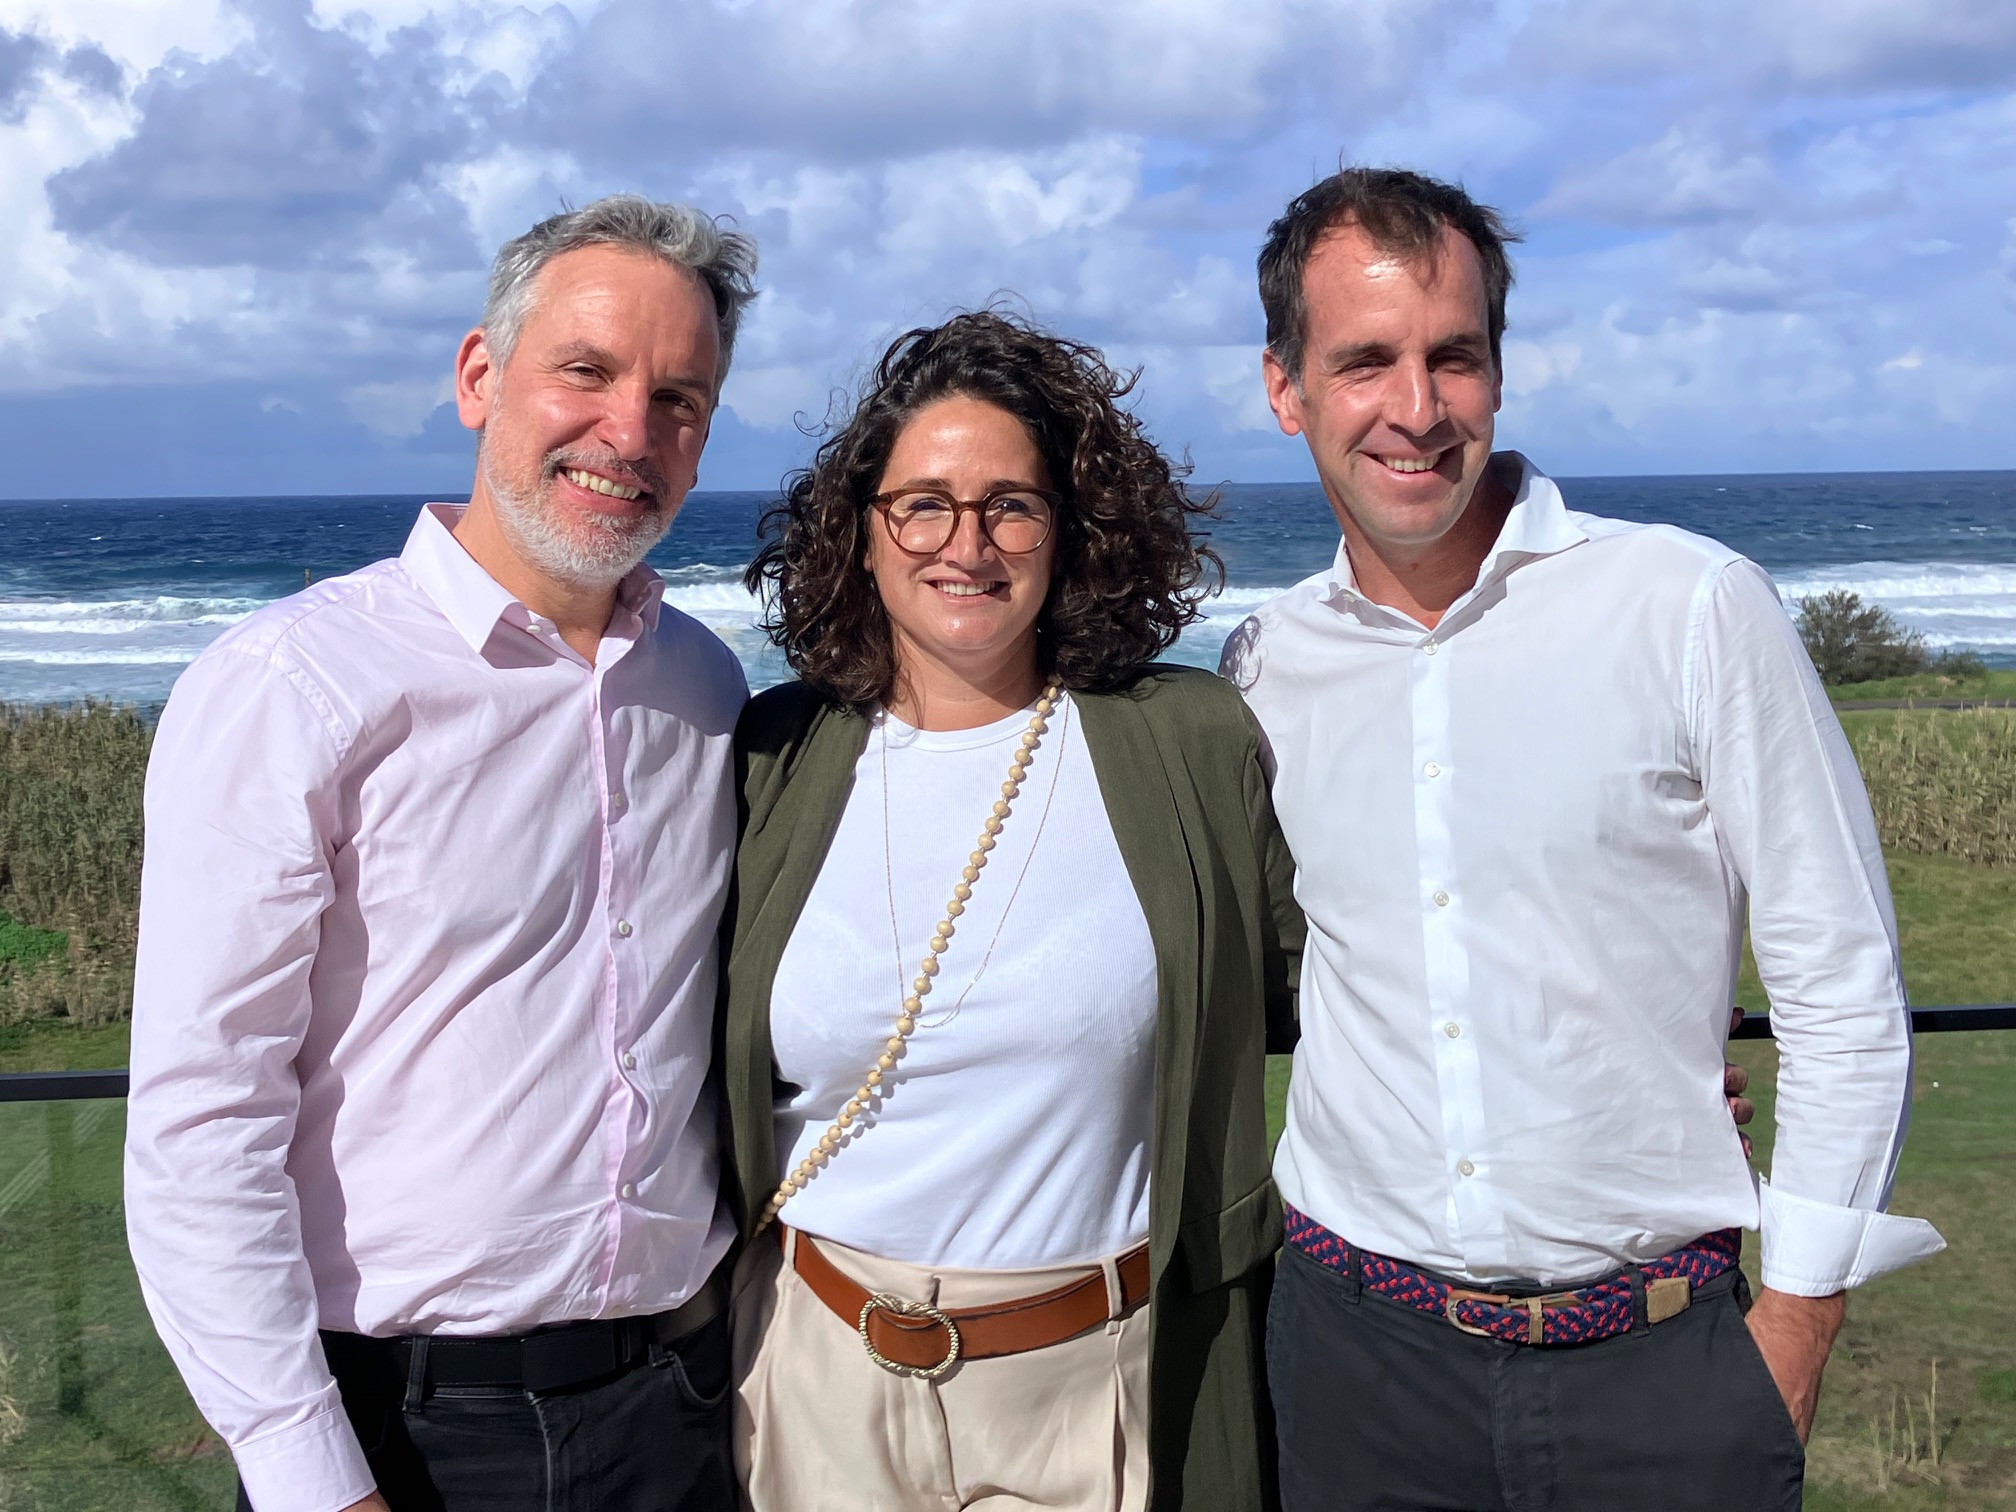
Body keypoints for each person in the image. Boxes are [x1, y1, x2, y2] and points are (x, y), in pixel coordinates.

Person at [1223, 166, 1947, 1511]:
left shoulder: (1688, 607)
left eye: (1456, 357)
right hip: (1354, 1364)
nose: (1417, 408)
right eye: (1365, 361)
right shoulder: (1262, 666)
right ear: (1287, 389)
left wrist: (1790, 1334)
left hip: (1663, 1374)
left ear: (1498, 368)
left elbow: (1842, 987)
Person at [124, 196, 757, 1512]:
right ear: (482, 376)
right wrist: (309, 1476)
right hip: (404, 1434)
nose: (628, 432)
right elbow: (202, 1121)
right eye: (584, 371)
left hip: (681, 1413)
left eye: (678, 398)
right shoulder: (293, 684)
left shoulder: (703, 685)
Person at [720, 310, 1302, 1512]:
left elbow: (1335, 986)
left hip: (1098, 1388)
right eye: (922, 502)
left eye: (1011, 504)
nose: (966, 543)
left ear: (1069, 530)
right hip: (817, 1379)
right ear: (863, 533)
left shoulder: (1185, 740)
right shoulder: (775, 754)